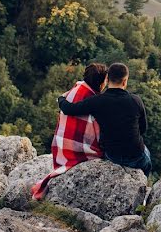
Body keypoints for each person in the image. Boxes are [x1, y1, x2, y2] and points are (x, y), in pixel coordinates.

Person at [57, 62, 151, 175]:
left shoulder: (97, 101)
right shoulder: (136, 100)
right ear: (125, 81)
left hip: (112, 155)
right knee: (147, 161)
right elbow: (143, 128)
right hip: (136, 155)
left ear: (107, 78)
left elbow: (69, 109)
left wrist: (61, 98)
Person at [32, 63, 107, 200]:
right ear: (101, 83)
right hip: (79, 150)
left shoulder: (74, 90)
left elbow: (66, 107)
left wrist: (60, 99)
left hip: (60, 148)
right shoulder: (94, 99)